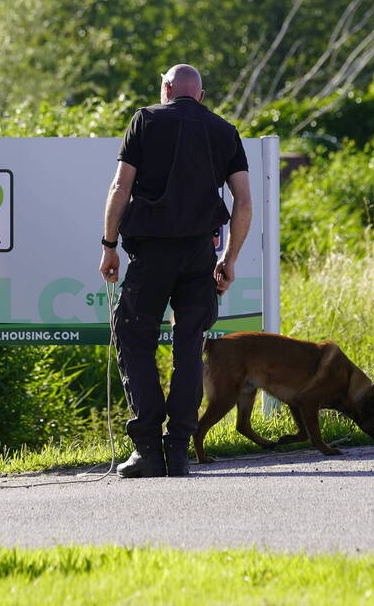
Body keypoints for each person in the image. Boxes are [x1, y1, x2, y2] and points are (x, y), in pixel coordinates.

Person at [98, 63, 252, 478]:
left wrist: (109, 246)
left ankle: (148, 449)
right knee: (189, 347)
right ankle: (179, 451)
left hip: (150, 254)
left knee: (134, 336)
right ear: (199, 95)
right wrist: (230, 258)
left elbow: (120, 187)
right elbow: (243, 201)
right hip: (200, 255)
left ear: (165, 89)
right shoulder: (224, 131)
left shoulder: (145, 119)